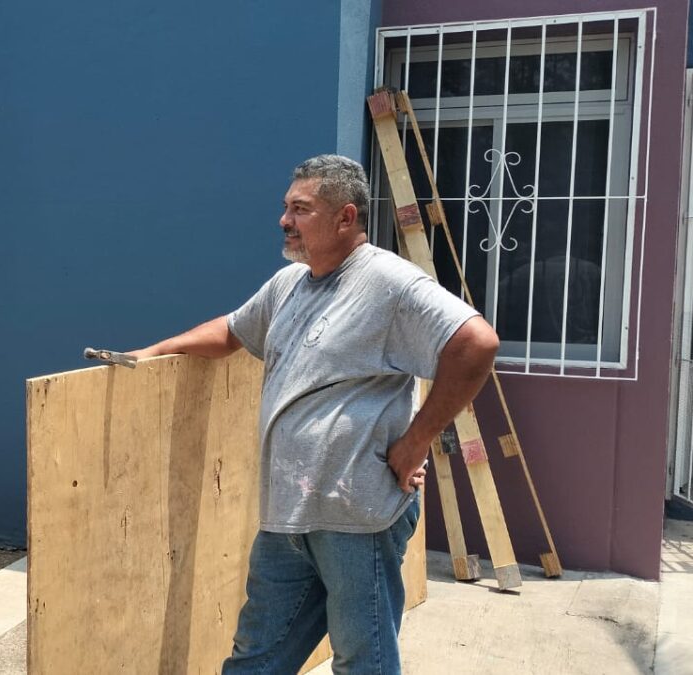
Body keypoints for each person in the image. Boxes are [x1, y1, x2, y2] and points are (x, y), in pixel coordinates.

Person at [129, 154, 498, 674]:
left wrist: (417, 441)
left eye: (300, 209)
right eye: (286, 207)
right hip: (287, 518)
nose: (285, 220)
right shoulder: (291, 284)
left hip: (356, 517)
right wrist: (155, 351)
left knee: (360, 660)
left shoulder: (387, 282)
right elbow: (233, 331)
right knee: (256, 658)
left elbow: (476, 343)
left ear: (346, 218)